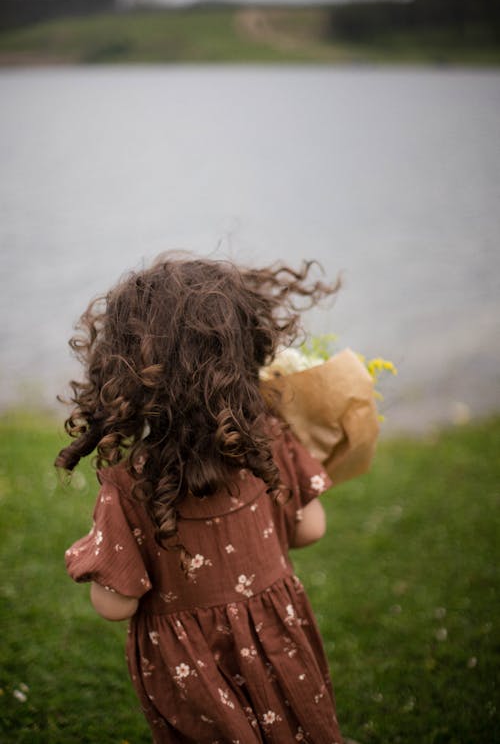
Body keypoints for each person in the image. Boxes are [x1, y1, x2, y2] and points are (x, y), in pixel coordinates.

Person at [57, 254, 344, 744]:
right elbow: (311, 528)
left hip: (195, 672)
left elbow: (115, 605)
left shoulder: (128, 489)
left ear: (127, 373)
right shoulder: (270, 440)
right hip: (281, 643)